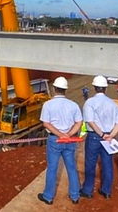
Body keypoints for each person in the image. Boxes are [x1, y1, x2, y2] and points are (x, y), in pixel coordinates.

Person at [38, 77, 83, 205]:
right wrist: (68, 134)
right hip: (70, 140)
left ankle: (48, 197)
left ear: (54, 89)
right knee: (72, 167)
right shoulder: (73, 105)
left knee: (52, 168)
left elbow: (46, 123)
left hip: (54, 140)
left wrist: (59, 135)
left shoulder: (48, 105)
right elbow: (79, 122)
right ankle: (75, 196)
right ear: (65, 90)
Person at [80, 75, 118, 200]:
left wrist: (102, 134)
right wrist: (110, 136)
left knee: (90, 164)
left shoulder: (90, 102)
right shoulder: (113, 104)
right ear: (105, 88)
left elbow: (91, 121)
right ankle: (106, 191)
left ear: (94, 87)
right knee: (107, 163)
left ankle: (88, 191)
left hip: (94, 137)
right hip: (109, 137)